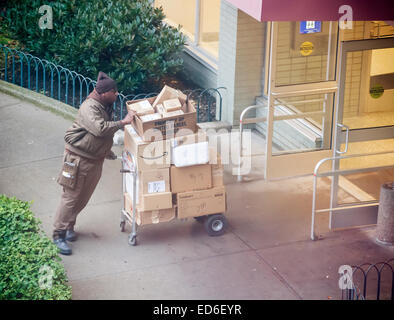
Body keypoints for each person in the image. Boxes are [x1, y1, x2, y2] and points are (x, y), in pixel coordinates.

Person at [53, 71, 135, 255]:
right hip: (77, 161)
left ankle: (68, 227)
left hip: (94, 160)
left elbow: (96, 138)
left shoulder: (104, 105)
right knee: (70, 197)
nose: (117, 94)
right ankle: (58, 234)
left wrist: (107, 152)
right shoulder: (90, 107)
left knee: (82, 198)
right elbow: (99, 129)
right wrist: (123, 122)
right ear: (105, 92)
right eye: (115, 92)